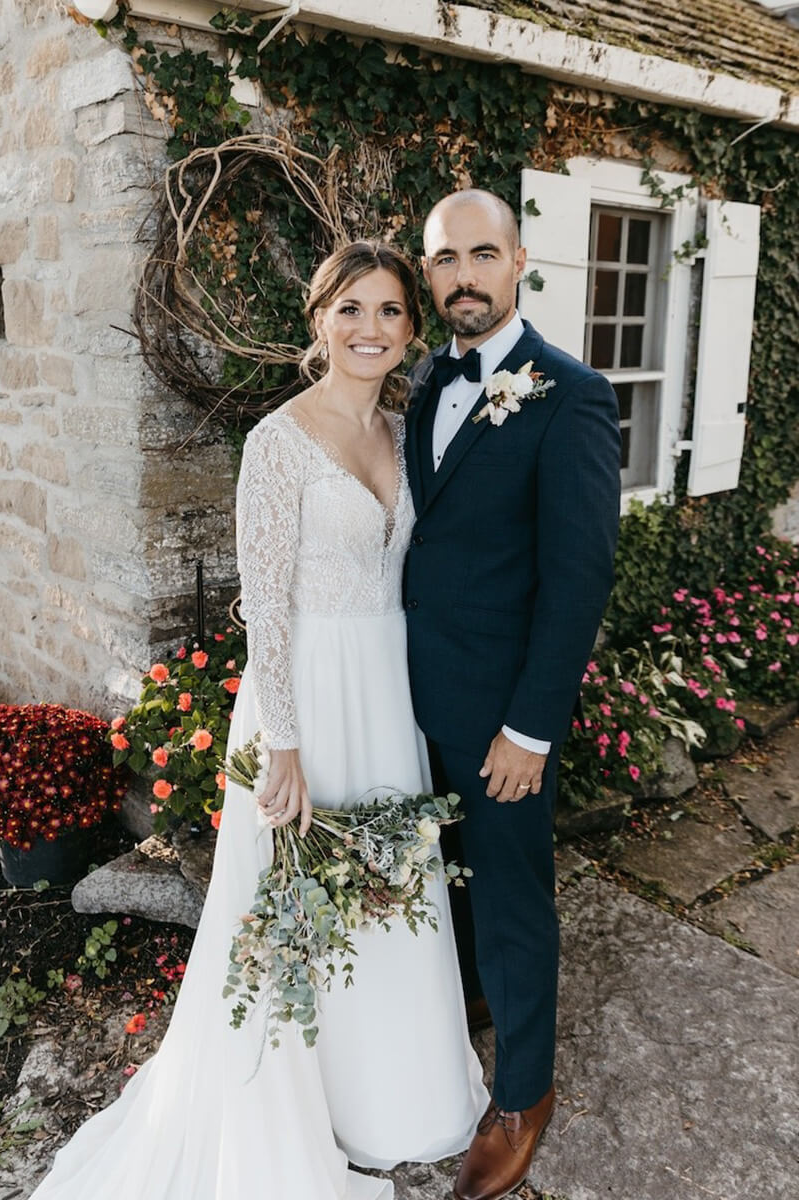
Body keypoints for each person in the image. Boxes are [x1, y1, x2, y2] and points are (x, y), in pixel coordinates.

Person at [29, 241, 487, 1200]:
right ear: (318, 320)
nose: (371, 328)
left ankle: (390, 1100)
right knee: (294, 914)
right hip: (306, 703)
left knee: (385, 898)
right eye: (351, 308)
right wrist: (282, 746)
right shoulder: (277, 442)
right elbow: (264, 607)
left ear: (411, 330)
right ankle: (293, 1115)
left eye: (391, 311)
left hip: (386, 699)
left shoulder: (409, 435)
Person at [403, 189, 621, 1200]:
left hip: (501, 720)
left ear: (519, 259)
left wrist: (529, 726)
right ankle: (474, 1008)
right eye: (445, 260)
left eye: (481, 253)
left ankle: (521, 1094)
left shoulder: (568, 393)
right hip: (411, 700)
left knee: (512, 901)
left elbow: (577, 578)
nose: (463, 277)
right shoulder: (422, 387)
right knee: (446, 885)